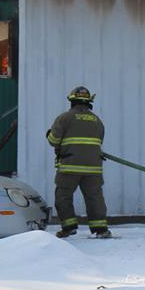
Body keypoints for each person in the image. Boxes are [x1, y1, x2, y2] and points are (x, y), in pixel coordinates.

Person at [46, 86, 110, 238]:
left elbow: (54, 140)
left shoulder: (64, 118)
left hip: (70, 167)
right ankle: (101, 229)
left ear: (72, 101)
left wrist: (49, 134)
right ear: (89, 102)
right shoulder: (97, 120)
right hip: (93, 169)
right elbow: (99, 141)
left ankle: (69, 228)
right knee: (94, 198)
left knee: (63, 196)